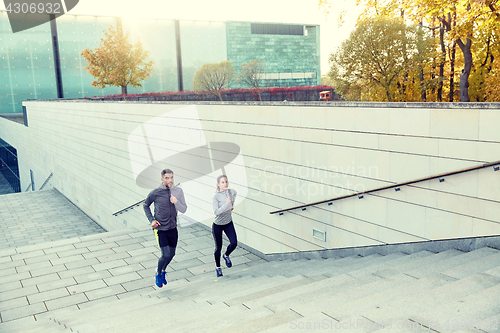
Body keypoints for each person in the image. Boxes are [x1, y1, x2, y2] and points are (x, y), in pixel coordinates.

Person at [143, 168, 187, 288]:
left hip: (173, 227)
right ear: (162, 179)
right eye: (167, 178)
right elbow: (146, 205)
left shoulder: (178, 191)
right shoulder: (155, 192)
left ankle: (163, 271)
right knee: (165, 254)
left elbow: (184, 209)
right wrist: (151, 220)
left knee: (172, 254)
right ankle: (158, 272)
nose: (170, 180)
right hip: (160, 229)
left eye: (172, 177)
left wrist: (176, 202)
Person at [212, 175, 238, 277]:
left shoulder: (231, 192)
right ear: (218, 184)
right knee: (218, 247)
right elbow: (216, 212)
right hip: (218, 225)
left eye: (226, 182)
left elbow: (235, 194)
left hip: (228, 223)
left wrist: (232, 205)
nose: (225, 184)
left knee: (234, 243)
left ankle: (226, 255)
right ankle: (218, 267)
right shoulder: (215, 196)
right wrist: (227, 205)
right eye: (222, 182)